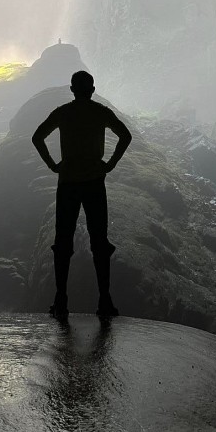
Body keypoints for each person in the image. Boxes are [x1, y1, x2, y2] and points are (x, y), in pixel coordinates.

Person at [32, 70, 132, 320]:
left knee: (62, 243)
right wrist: (110, 164)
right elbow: (125, 136)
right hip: (95, 182)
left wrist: (53, 165)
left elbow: (37, 137)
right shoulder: (101, 112)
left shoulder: (63, 112)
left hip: (67, 183)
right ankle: (105, 300)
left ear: (72, 89)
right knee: (100, 242)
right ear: (93, 90)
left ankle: (61, 299)